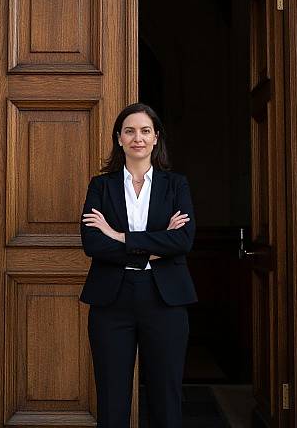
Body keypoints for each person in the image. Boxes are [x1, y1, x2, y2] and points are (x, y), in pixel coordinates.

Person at [79, 102, 198, 428]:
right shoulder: (100, 187)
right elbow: (93, 244)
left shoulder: (176, 186)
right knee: (112, 398)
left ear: (156, 137)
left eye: (145, 131)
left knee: (165, 397)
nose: (138, 138)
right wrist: (157, 244)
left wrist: (119, 235)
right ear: (119, 138)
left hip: (165, 300)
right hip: (112, 301)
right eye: (130, 131)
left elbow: (183, 241)